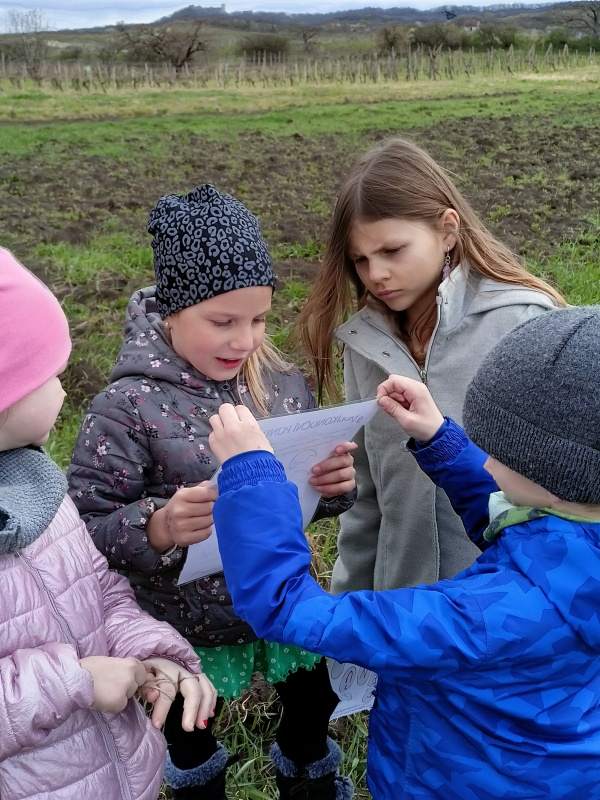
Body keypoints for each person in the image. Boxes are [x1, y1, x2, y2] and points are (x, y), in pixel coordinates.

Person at [208, 306, 600, 800]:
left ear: (559, 475)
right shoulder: (574, 542)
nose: (487, 461)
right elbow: (522, 525)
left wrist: (253, 478)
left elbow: (287, 608)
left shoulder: (485, 617)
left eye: (500, 452)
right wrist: (441, 440)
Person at [67, 185, 356, 800]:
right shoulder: (126, 407)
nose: (244, 340)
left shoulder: (276, 382)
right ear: (172, 311)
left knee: (313, 703)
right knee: (189, 730)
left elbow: (301, 483)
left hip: (280, 597)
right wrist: (160, 526)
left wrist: (329, 488)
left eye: (259, 319)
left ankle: (310, 778)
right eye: (223, 322)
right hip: (184, 620)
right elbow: (89, 524)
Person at [297, 136, 565, 597]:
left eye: (392, 251)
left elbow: (567, 490)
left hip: (509, 611)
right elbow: (366, 501)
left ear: (447, 230)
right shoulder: (362, 345)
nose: (376, 274)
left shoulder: (523, 324)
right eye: (360, 260)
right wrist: (348, 610)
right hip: (402, 611)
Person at [0, 247, 216, 800]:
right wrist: (75, 681)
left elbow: (100, 591)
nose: (63, 390)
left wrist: (151, 650)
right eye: (49, 375)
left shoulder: (39, 488)